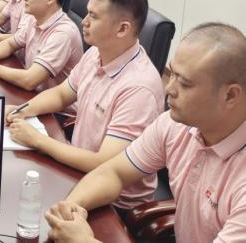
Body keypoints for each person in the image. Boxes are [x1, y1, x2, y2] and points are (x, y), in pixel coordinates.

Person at [45, 23, 246, 243]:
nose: (169, 89)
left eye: (185, 83)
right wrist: (72, 208)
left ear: (230, 96)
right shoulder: (175, 125)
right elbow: (114, 172)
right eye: (172, 74)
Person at [5, 0, 164, 211]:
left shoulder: (139, 88)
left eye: (93, 16)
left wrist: (37, 140)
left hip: (112, 203)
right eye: (87, 12)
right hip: (76, 169)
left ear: (122, 29)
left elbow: (104, 164)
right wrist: (20, 111)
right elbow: (61, 94)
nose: (84, 21)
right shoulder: (96, 53)